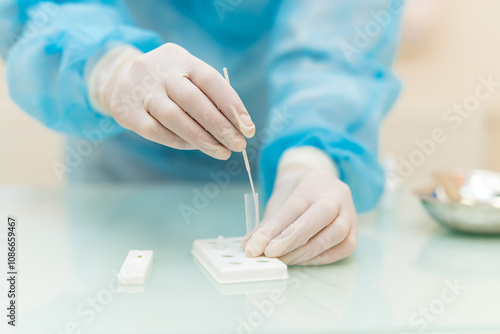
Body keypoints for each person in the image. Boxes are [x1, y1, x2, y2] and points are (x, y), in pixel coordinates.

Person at [0, 0, 402, 265]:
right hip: (125, 182)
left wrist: (310, 158)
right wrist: (108, 67)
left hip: (271, 181)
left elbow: (337, 44)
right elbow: (46, 11)